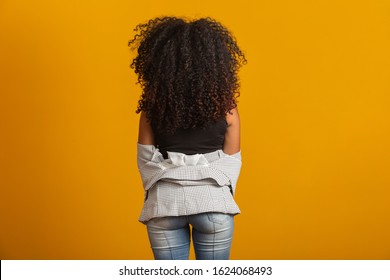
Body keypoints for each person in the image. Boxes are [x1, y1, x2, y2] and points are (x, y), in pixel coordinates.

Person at [128, 16, 247, 260]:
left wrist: (170, 178)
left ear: (160, 64)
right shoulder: (228, 109)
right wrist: (211, 187)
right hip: (214, 206)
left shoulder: (152, 109)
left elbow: (145, 161)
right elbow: (232, 164)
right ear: (215, 63)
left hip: (165, 206)